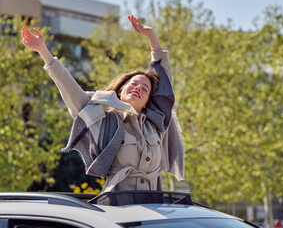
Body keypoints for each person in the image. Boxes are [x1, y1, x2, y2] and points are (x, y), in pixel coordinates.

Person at [21, 15, 184, 192]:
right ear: (120, 90)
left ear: (148, 102)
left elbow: (165, 83)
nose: (138, 88)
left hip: (154, 204)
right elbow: (70, 89)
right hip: (119, 205)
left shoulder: (155, 123)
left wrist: (151, 36)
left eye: (145, 89)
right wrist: (43, 51)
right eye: (134, 84)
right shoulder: (104, 118)